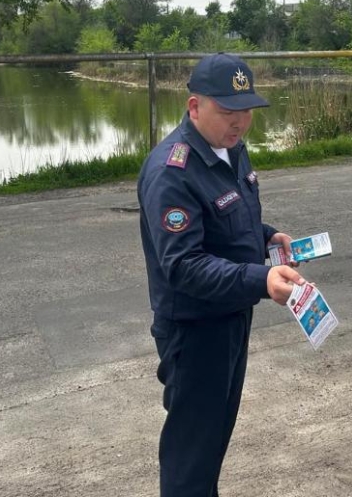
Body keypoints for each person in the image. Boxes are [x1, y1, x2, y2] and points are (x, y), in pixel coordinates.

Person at [137, 53, 304, 497]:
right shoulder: (172, 171)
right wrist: (261, 280)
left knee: (211, 442)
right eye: (229, 110)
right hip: (195, 331)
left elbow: (228, 222)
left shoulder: (230, 150)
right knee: (191, 456)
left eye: (247, 110)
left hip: (231, 316)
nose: (240, 121)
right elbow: (183, 265)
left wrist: (267, 237)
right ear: (195, 107)